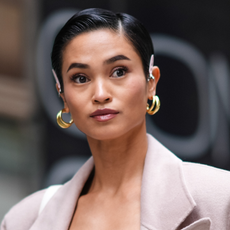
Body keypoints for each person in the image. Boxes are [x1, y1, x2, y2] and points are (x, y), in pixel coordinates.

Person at [1, 8, 230, 230]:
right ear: (63, 96)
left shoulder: (220, 198)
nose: (100, 94)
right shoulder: (24, 220)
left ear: (151, 82)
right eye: (80, 78)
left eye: (119, 71)